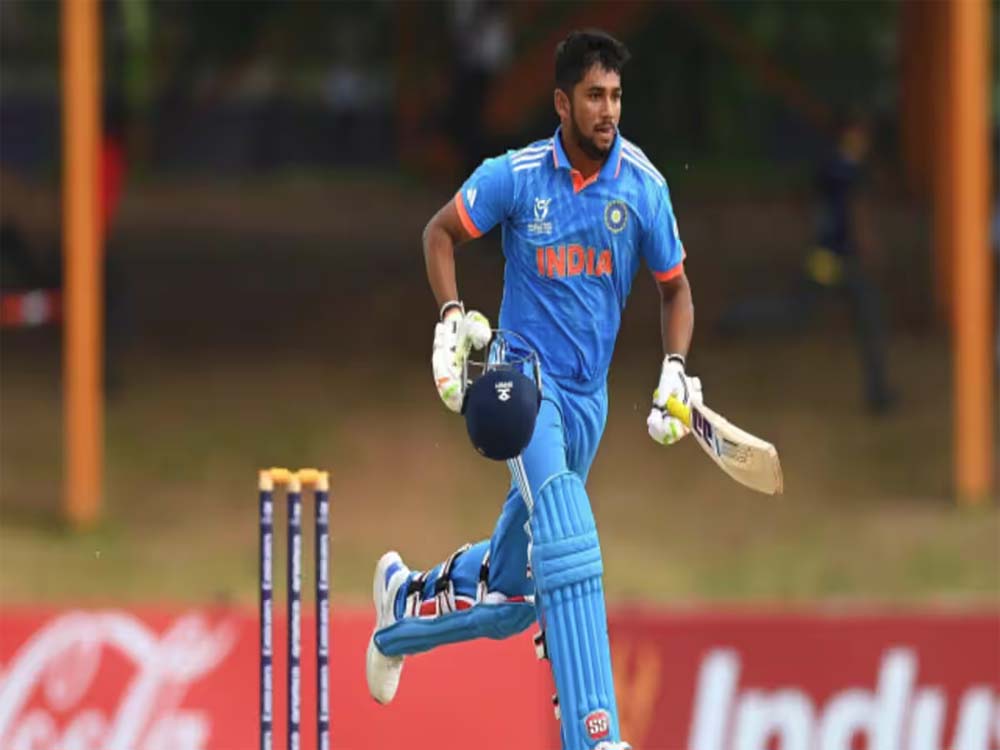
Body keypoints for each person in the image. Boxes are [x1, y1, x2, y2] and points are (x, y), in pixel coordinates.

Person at [366, 30, 699, 750]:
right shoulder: (517, 176)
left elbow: (676, 291)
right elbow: (438, 234)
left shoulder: (643, 187)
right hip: (520, 385)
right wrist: (451, 317)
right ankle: (595, 733)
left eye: (616, 96)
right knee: (568, 528)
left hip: (589, 401)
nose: (608, 111)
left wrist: (675, 367)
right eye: (593, 96)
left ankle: (400, 610)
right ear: (562, 103)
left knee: (514, 595)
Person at [718, 110, 896, 414]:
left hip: (827, 257)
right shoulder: (849, 171)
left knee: (808, 313)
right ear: (852, 136)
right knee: (815, 315)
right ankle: (737, 318)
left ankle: (737, 317)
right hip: (839, 261)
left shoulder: (830, 167)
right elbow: (856, 216)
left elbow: (811, 205)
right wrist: (870, 249)